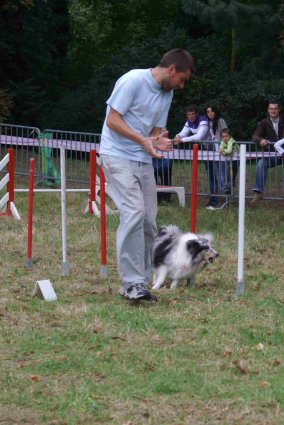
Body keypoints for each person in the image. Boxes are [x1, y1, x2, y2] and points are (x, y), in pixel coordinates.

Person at [99, 48, 194, 302]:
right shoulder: (132, 80)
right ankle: (131, 283)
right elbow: (113, 120)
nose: (181, 86)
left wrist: (157, 141)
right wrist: (144, 140)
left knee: (149, 222)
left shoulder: (167, 93)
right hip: (116, 155)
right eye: (182, 79)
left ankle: (138, 283)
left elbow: (154, 132)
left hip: (141, 159)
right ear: (172, 69)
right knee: (133, 212)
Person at [174, 105, 219, 208]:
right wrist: (177, 137)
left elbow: (199, 136)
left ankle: (218, 197)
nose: (191, 116)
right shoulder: (188, 123)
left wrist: (182, 140)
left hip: (216, 149)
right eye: (189, 114)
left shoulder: (203, 121)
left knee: (218, 174)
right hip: (206, 150)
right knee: (211, 174)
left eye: (193, 114)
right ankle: (214, 198)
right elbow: (183, 133)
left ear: (197, 113)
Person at [250, 101, 284, 205]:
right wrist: (260, 140)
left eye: (275, 109)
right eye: (271, 109)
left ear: (279, 110)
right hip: (272, 155)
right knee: (261, 163)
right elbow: (254, 136)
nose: (273, 111)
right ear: (268, 110)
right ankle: (258, 191)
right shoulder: (263, 122)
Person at [207, 105, 231, 196]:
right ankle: (222, 192)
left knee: (224, 170)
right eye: (208, 112)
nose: (210, 113)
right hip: (214, 150)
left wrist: (224, 147)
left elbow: (226, 134)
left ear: (215, 112)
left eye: (212, 111)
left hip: (222, 149)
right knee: (217, 171)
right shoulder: (208, 123)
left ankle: (226, 190)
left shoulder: (220, 121)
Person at [218, 127, 238, 203]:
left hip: (236, 161)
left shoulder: (231, 141)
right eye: (223, 137)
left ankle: (229, 188)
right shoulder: (223, 141)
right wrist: (223, 151)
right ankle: (228, 189)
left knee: (232, 176)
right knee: (227, 175)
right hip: (229, 160)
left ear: (230, 136)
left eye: (227, 136)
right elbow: (220, 149)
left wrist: (223, 151)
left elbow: (229, 150)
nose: (225, 138)